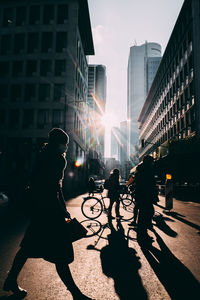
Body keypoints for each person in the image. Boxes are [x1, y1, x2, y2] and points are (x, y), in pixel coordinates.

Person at [3, 128, 94, 300]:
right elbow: (54, 187)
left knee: (28, 247)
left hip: (40, 209)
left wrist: (61, 206)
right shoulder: (57, 159)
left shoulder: (43, 155)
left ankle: (11, 280)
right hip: (50, 212)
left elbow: (45, 184)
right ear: (58, 144)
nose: (66, 148)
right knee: (60, 253)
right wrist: (61, 209)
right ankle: (76, 294)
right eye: (64, 144)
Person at [132, 155, 158, 244]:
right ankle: (142, 235)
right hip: (145, 195)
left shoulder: (140, 169)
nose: (153, 163)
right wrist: (154, 194)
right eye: (152, 162)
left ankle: (142, 234)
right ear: (148, 162)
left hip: (141, 195)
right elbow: (150, 184)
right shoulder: (147, 170)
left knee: (145, 213)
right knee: (145, 214)